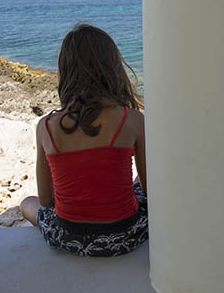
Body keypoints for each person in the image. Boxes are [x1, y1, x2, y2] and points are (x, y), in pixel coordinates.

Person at [19, 23, 148, 257]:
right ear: (112, 68)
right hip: (126, 235)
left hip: (68, 237)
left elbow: (46, 200)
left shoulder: (45, 127)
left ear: (65, 70)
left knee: (27, 203)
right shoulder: (132, 119)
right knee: (137, 183)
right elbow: (151, 190)